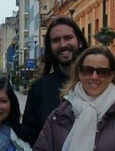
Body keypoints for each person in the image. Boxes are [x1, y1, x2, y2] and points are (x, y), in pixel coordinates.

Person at [32, 46, 115, 151]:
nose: (94, 77)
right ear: (79, 73)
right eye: (88, 70)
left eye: (102, 72)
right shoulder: (58, 116)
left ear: (112, 75)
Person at [22, 17, 88, 145]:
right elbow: (31, 135)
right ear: (50, 47)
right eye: (56, 40)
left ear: (79, 41)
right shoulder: (40, 88)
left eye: (68, 38)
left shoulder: (97, 82)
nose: (63, 45)